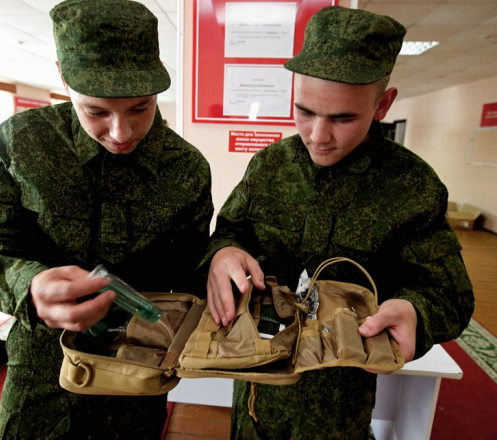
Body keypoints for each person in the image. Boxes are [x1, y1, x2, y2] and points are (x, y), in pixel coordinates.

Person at [0, 1, 213, 438]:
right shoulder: (18, 145)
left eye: (140, 109)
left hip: (137, 370)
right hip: (42, 371)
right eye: (97, 112)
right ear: (64, 78)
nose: (121, 133)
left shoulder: (186, 168)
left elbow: (191, 273)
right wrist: (28, 283)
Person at [202, 6, 474, 439]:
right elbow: (232, 233)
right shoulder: (271, 167)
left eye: (343, 118)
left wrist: (415, 311)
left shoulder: (412, 187)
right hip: (256, 389)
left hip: (338, 407)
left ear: (383, 104)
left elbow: (448, 293)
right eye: (305, 111)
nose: (317, 135)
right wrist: (223, 253)